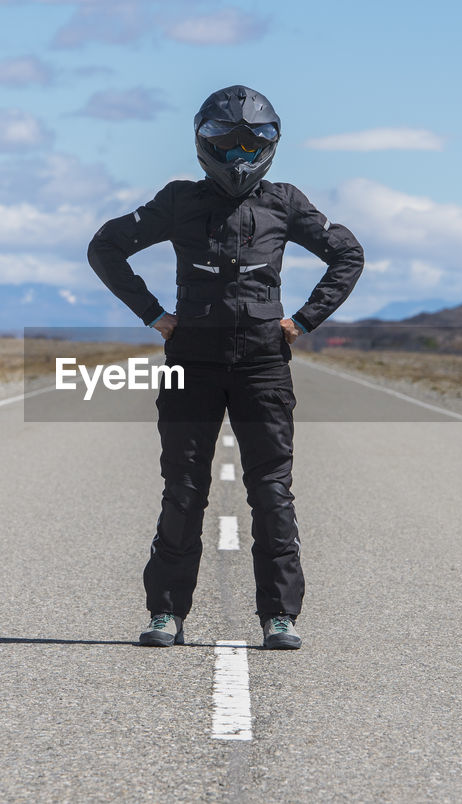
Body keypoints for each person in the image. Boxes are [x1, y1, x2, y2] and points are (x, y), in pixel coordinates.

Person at [87, 85, 364, 650]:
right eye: (225, 140)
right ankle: (166, 614)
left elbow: (347, 253)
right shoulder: (179, 200)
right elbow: (106, 246)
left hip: (263, 363)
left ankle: (280, 617)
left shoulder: (284, 202)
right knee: (183, 490)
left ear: (270, 144)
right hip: (191, 362)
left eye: (252, 141)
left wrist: (305, 321)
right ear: (201, 141)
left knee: (272, 492)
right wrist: (153, 315)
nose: (239, 154)